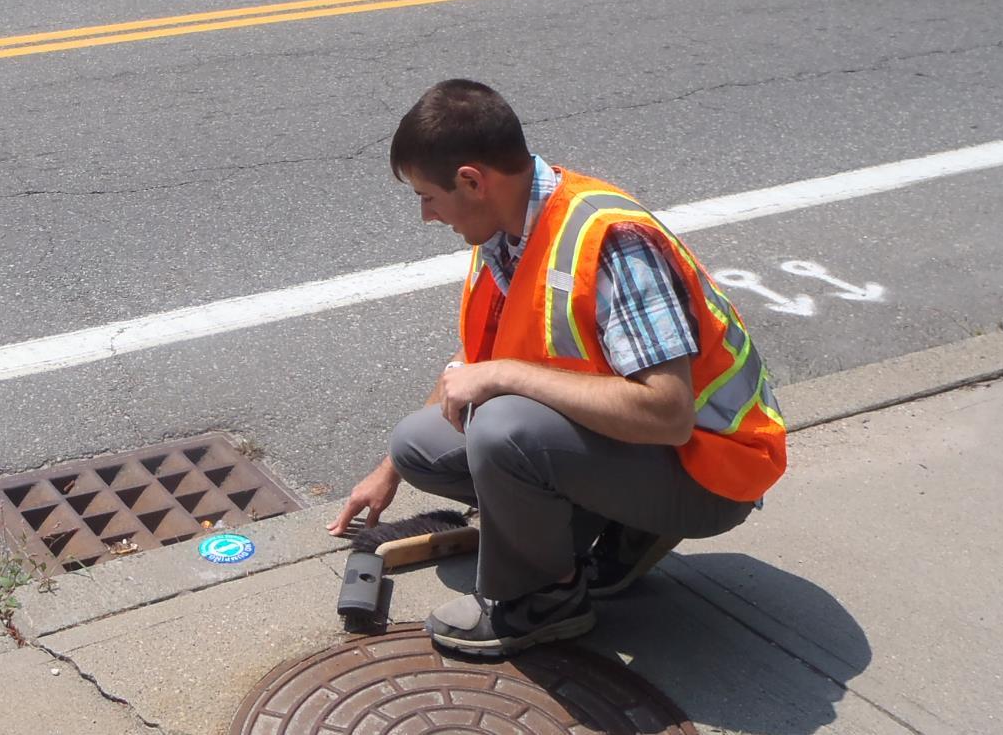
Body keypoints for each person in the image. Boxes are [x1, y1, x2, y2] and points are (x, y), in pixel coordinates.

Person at [326, 79, 787, 657]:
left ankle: (542, 601)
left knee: (503, 429)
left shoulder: (608, 238)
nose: (425, 216)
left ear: (472, 181)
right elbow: (474, 362)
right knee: (418, 442)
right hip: (636, 449)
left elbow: (669, 414)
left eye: (427, 196)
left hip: (711, 471)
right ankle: (613, 525)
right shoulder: (506, 235)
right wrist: (388, 470)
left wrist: (505, 376)